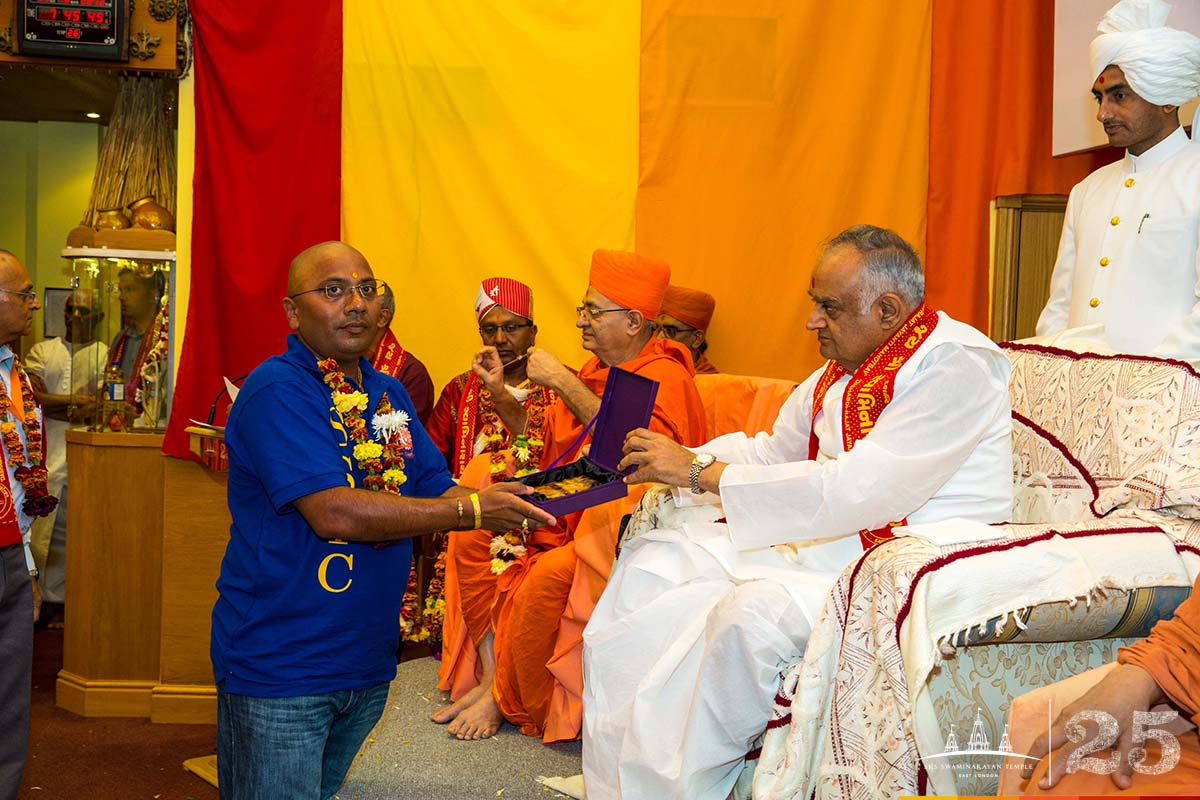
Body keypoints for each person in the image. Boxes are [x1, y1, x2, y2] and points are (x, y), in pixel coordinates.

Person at [581, 225, 1014, 800]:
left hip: (908, 562)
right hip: (827, 544)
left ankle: (685, 789)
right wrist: (677, 458)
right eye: (816, 303)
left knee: (750, 618)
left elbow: (863, 489)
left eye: (829, 307)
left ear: (888, 310)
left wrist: (699, 472)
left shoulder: (955, 363)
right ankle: (623, 783)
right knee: (655, 564)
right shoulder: (841, 367)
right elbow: (770, 453)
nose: (812, 321)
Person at [209, 241, 554, 800]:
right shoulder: (276, 389)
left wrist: (509, 502)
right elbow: (332, 511)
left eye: (365, 289)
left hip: (365, 661)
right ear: (293, 313)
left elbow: (434, 484)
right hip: (283, 663)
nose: (355, 303)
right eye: (333, 290)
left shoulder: (387, 393)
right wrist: (472, 510)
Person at [433, 249, 707, 742]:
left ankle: (508, 697)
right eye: (583, 309)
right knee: (475, 529)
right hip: (575, 499)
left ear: (633, 321)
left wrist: (561, 380)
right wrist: (500, 393)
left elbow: (634, 457)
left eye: (592, 311)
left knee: (545, 578)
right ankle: (493, 674)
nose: (580, 320)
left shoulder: (665, 375)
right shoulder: (596, 368)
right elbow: (546, 445)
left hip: (621, 521)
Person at [1035, 0, 1200, 359]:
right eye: (1100, 98)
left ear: (1167, 99)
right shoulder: (1086, 191)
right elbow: (1060, 307)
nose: (1102, 113)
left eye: (1119, 96)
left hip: (1171, 385)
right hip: (1078, 385)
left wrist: (1142, 376)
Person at [0, 248, 57, 800]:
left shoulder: (14, 373)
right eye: (24, 294)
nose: (34, 304)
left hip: (11, 556)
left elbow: (21, 483)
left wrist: (29, 569)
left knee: (10, 702)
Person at [25, 289, 108, 612]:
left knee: (75, 533)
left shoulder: (104, 354)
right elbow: (33, 399)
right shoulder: (43, 351)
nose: (74, 317)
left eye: (83, 311)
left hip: (86, 456)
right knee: (41, 531)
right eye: (70, 310)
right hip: (46, 454)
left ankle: (68, 606)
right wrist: (79, 401)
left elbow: (102, 405)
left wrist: (55, 403)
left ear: (98, 317)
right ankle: (41, 603)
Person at [426, 277, 554, 478]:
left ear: (532, 333)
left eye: (511, 328)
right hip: (472, 497)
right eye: (490, 330)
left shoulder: (560, 384)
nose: (499, 339)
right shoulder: (458, 390)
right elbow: (429, 464)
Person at [108, 267, 167, 423]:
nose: (122, 297)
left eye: (130, 289)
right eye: (120, 290)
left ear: (153, 294)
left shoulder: (164, 339)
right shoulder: (120, 339)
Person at [367, 288, 435, 425]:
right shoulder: (340, 363)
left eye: (360, 312)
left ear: (382, 318)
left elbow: (406, 434)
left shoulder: (412, 375)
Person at [658, 284, 718, 373]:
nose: (659, 338)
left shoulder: (709, 380)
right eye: (655, 328)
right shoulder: (645, 368)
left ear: (696, 339)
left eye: (670, 331)